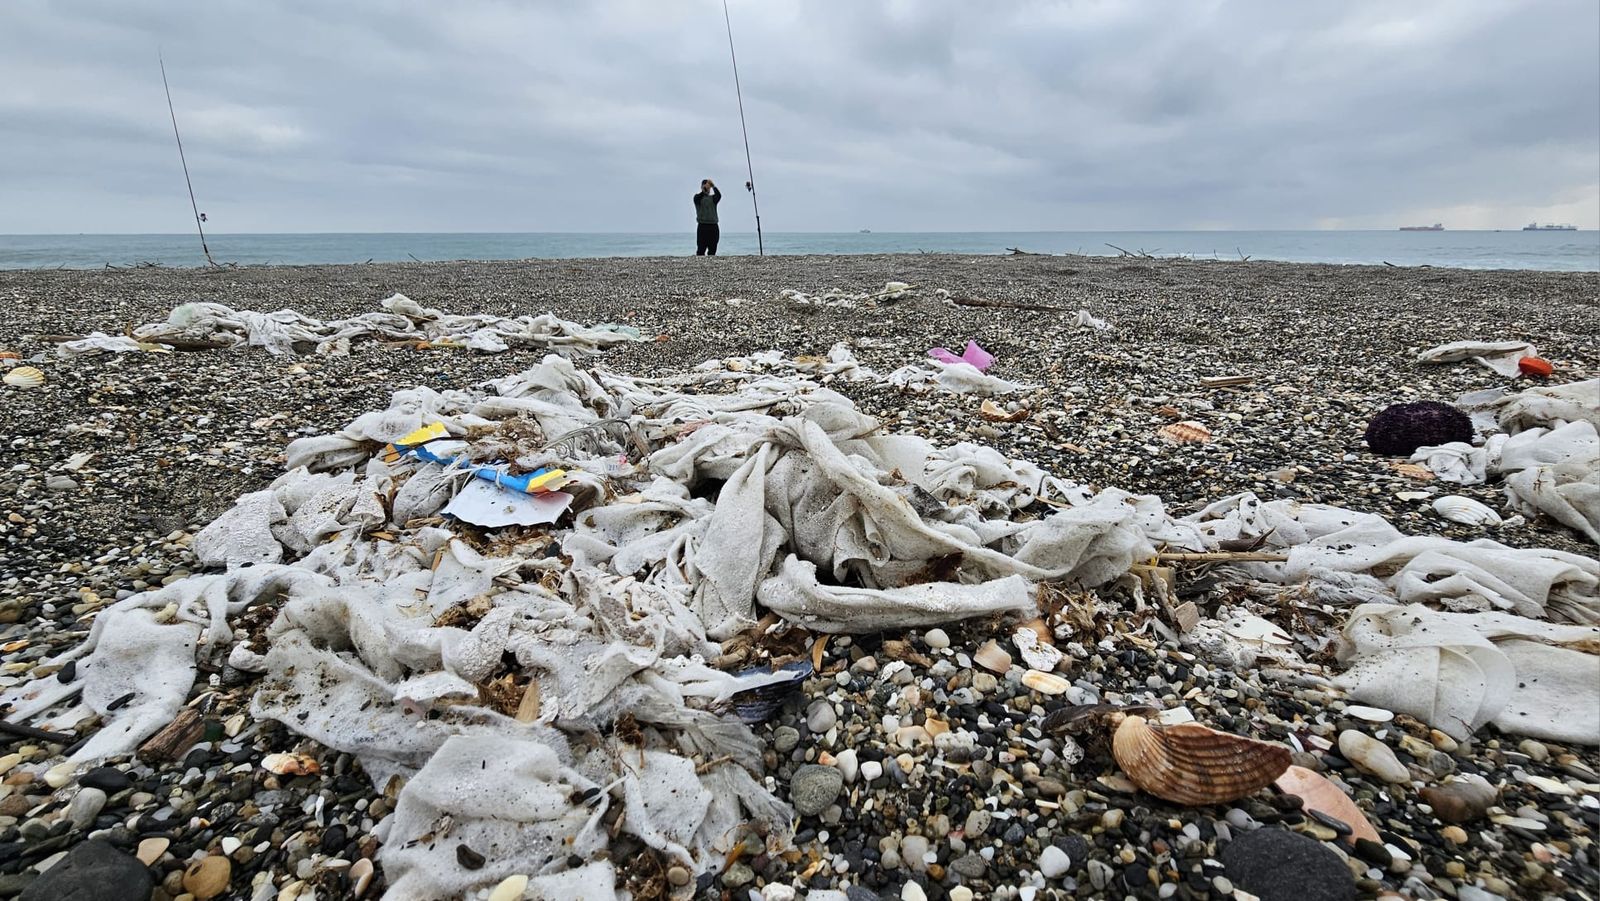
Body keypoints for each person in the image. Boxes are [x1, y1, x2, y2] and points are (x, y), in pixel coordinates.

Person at [693, 179, 721, 255]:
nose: (707, 189)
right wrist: (703, 191)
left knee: (713, 250)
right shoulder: (697, 197)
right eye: (705, 187)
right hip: (702, 226)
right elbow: (697, 199)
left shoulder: (713, 198)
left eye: (708, 187)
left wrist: (713, 186)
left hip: (713, 226)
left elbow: (719, 196)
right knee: (701, 250)